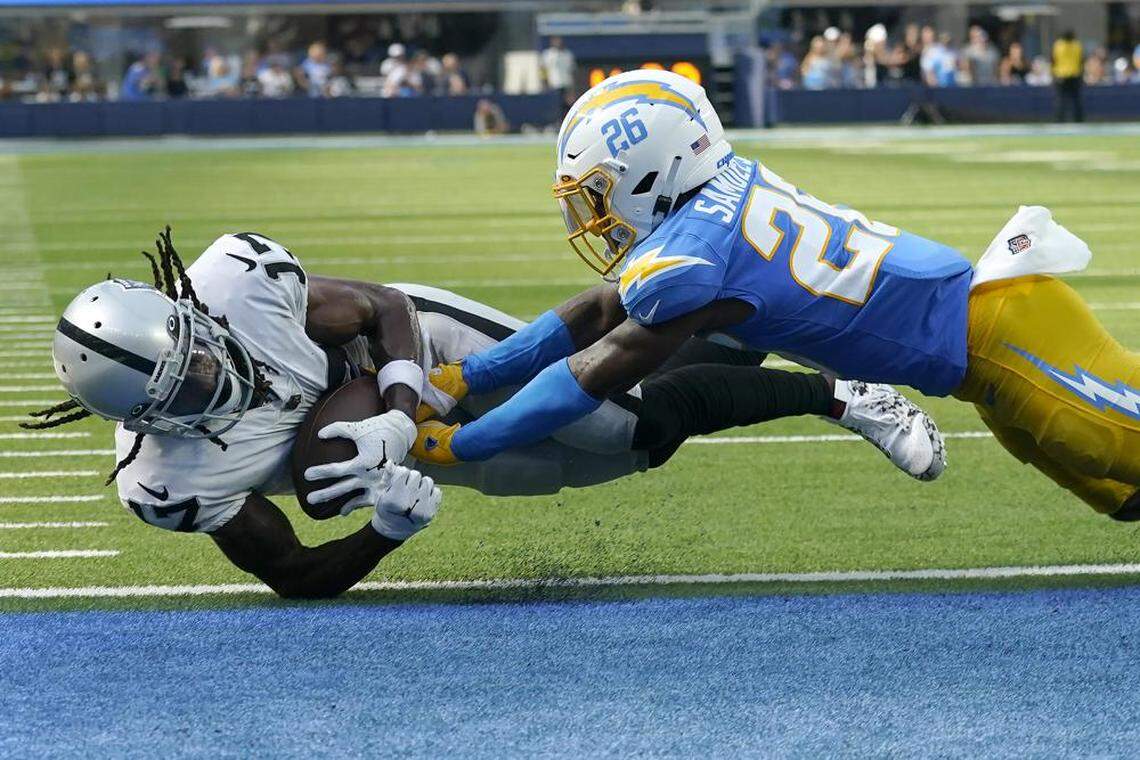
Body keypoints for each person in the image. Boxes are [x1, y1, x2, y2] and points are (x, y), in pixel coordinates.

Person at [28, 226, 943, 596]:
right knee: (609, 456)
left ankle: (836, 389)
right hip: (399, 453)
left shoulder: (239, 286)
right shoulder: (166, 481)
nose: (205, 384)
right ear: (151, 422)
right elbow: (291, 575)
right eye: (181, 395)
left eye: (194, 359)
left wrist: (395, 403)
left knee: (625, 422)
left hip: (422, 352)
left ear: (190, 317)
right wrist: (387, 530)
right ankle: (731, 323)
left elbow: (385, 307)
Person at [397, 68, 1140, 523]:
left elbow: (589, 375)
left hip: (1001, 336)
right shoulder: (716, 192)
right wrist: (470, 377)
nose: (590, 215)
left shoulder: (695, 258)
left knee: (1107, 442)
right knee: (1108, 484)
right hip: (982, 346)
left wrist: (465, 441)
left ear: (651, 173)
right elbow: (595, 311)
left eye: (597, 194)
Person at [1052, 30, 1084, 122]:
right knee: (1076, 100)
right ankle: (1078, 120)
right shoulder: (1077, 45)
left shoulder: (1058, 45)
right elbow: (1081, 60)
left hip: (1061, 75)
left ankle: (1059, 120)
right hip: (1074, 75)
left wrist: (1053, 74)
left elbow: (1053, 60)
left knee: (1061, 100)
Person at [542, 36, 576, 101]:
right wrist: (545, 84)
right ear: (551, 42)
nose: (558, 43)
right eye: (555, 41)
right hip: (553, 85)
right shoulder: (547, 54)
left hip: (566, 85)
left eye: (559, 40)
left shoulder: (567, 54)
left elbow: (572, 71)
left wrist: (572, 89)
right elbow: (543, 70)